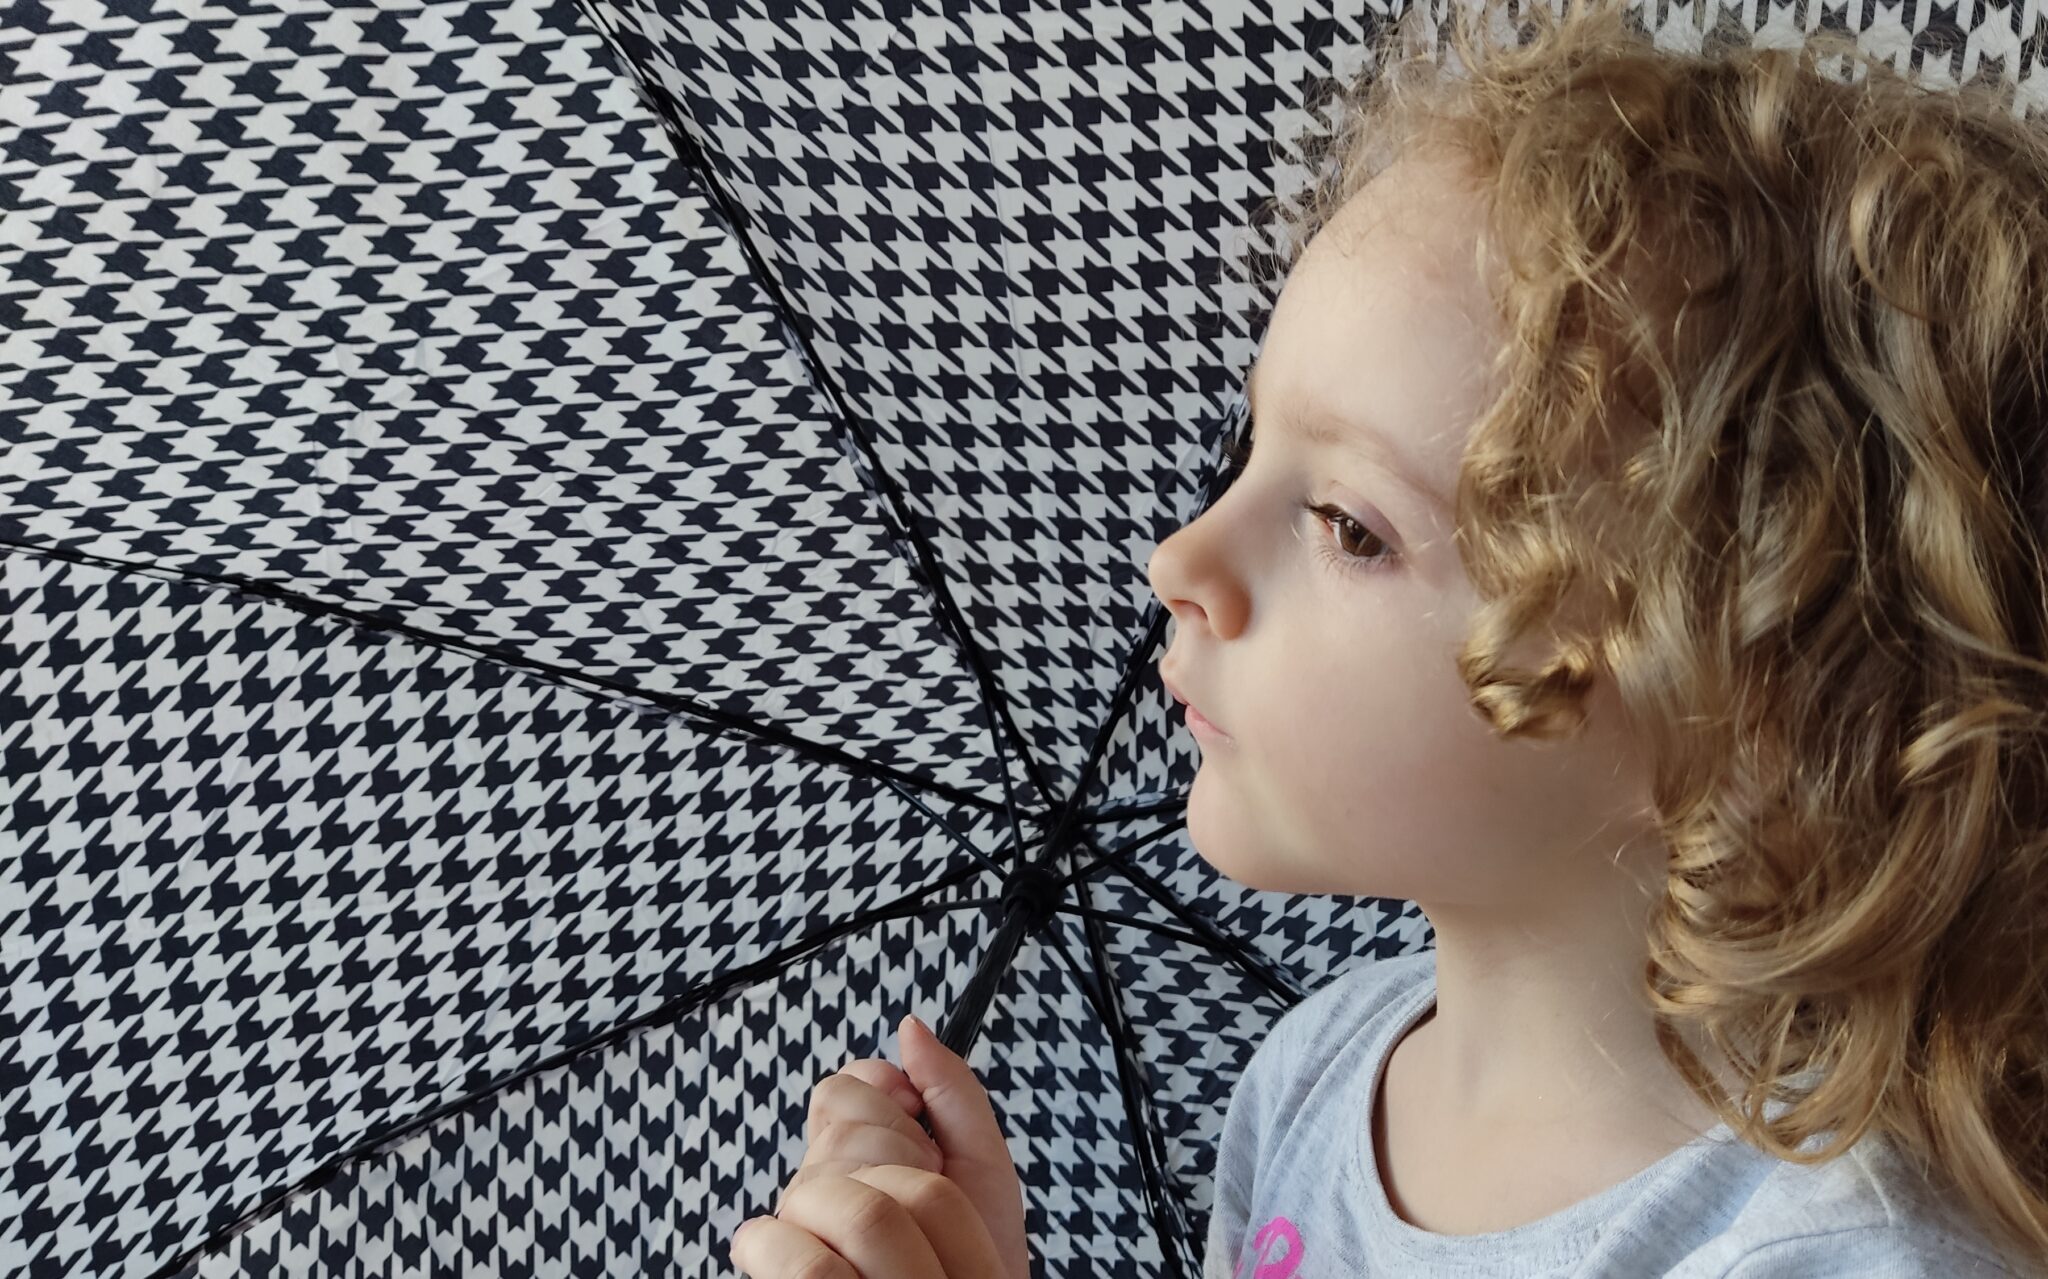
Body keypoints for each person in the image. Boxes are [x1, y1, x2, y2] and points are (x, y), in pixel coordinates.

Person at [729, 0, 2048, 1274]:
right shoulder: (1314, 1076)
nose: (1181, 559)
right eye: (1251, 451)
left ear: (1750, 714)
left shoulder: (1840, 1257)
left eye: (1349, 526)